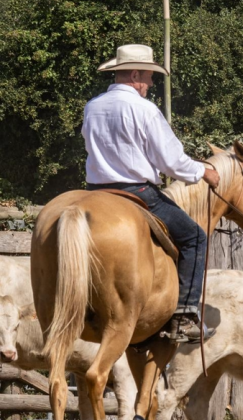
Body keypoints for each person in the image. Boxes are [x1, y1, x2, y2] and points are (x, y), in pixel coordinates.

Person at [81, 43, 220, 344]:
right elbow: (171, 161)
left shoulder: (92, 106)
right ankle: (184, 317)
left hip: (94, 193)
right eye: (148, 76)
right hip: (138, 192)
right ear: (134, 74)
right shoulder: (144, 109)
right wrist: (203, 172)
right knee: (195, 237)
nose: (151, 84)